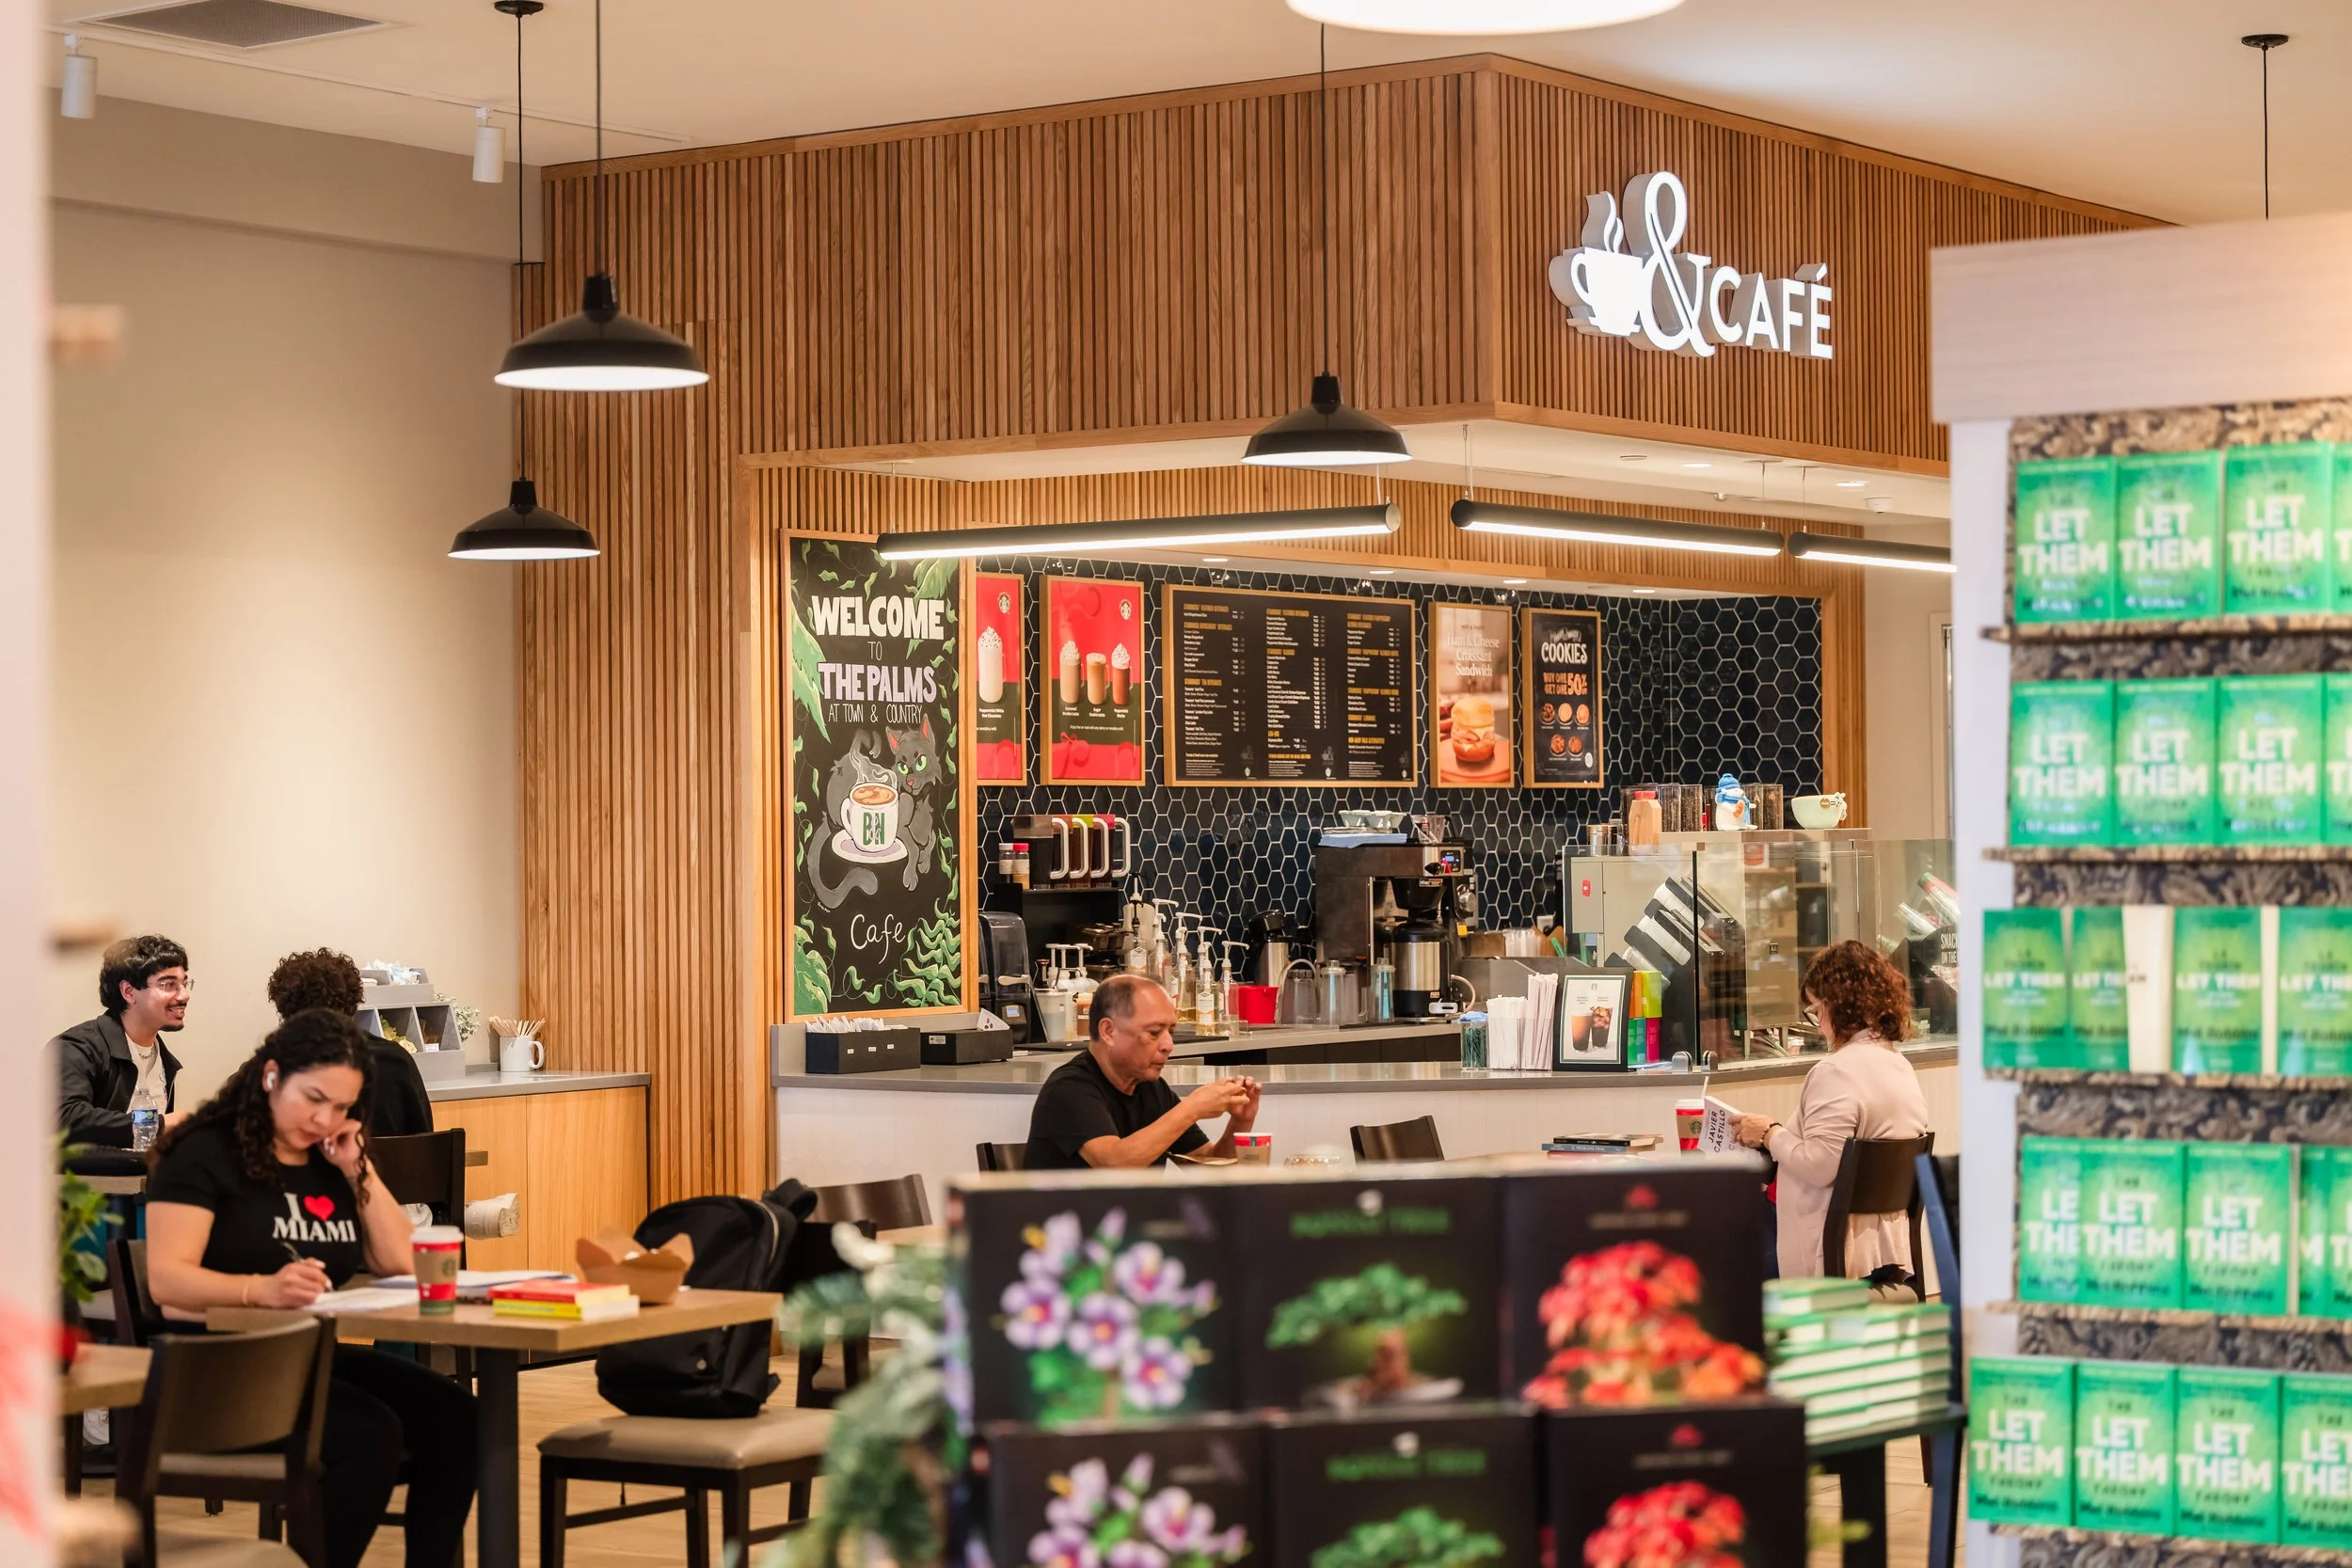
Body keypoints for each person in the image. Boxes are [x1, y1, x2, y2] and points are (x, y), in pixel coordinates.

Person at [145, 1008, 476, 1568]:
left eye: (343, 1108)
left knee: (456, 1415)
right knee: (371, 1437)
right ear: (272, 1077)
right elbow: (166, 1279)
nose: (325, 1119)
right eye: (314, 1098)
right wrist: (260, 1290)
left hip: (306, 1358)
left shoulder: (330, 1157)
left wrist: (358, 1168)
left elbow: (401, 1261)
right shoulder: (203, 1153)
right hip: (213, 1371)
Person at [1732, 941, 1932, 1282]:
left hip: (1829, 1243)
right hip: (1883, 1249)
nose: (1818, 1024)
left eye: (1815, 1010)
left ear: (1839, 1005)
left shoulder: (1836, 1071)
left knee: (1725, 1236)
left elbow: (1819, 1166)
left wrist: (1769, 1132)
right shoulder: (1900, 1067)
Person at [1025, 974, 1259, 1169]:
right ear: (1108, 1031)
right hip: (1066, 1224)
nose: (1168, 1045)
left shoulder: (1151, 1088)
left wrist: (1239, 1123)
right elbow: (1115, 1165)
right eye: (1155, 1032)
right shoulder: (1069, 1088)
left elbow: (1208, 1171)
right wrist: (1193, 1108)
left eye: (1171, 1032)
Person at [267, 948, 434, 1137]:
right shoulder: (396, 1062)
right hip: (384, 1167)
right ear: (353, 1007)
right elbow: (425, 1143)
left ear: (287, 1014)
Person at [55, 933, 192, 1148]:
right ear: (128, 991)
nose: (184, 995)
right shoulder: (77, 1048)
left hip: (142, 1179)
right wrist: (158, 1122)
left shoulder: (165, 1061)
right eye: (168, 985)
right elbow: (65, 1118)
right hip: (89, 1181)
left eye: (184, 983)